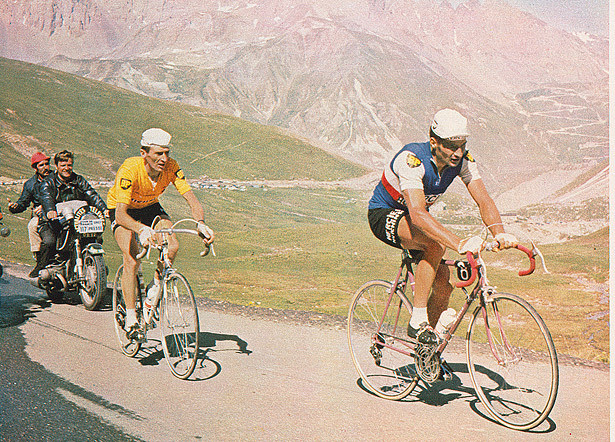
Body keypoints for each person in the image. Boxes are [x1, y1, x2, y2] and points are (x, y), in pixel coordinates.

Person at [368, 108, 518, 344]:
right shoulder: (412, 160)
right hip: (385, 214)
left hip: (416, 220)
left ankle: (426, 353)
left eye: (462, 145)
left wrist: (500, 232)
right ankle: (417, 320)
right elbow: (417, 213)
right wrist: (459, 243)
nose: (458, 153)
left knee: (443, 287)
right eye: (450, 145)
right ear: (433, 142)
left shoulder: (463, 161)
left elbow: (484, 199)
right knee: (435, 246)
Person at [107, 128, 214, 340]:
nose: (164, 159)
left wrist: (201, 223)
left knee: (172, 245)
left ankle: (154, 291)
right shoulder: (130, 169)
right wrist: (141, 229)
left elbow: (192, 200)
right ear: (144, 153)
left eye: (167, 153)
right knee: (132, 259)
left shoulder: (172, 167)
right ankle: (130, 318)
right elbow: (120, 215)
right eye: (158, 154)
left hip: (150, 208)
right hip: (123, 211)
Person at [37, 150, 108, 274]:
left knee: (95, 238)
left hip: (75, 220)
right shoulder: (49, 181)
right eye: (63, 165)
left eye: (69, 165)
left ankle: (95, 266)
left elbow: (91, 194)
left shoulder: (79, 180)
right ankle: (42, 267)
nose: (66, 168)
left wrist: (104, 209)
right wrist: (50, 210)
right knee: (49, 242)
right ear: (57, 166)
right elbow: (46, 196)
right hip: (54, 221)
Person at [8, 152, 53, 277]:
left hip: (57, 210)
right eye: (41, 165)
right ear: (35, 168)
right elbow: (23, 202)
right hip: (40, 216)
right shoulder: (30, 184)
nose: (46, 167)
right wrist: (15, 207)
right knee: (32, 225)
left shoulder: (55, 177)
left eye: (47, 164)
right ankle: (40, 260)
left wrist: (46, 206)